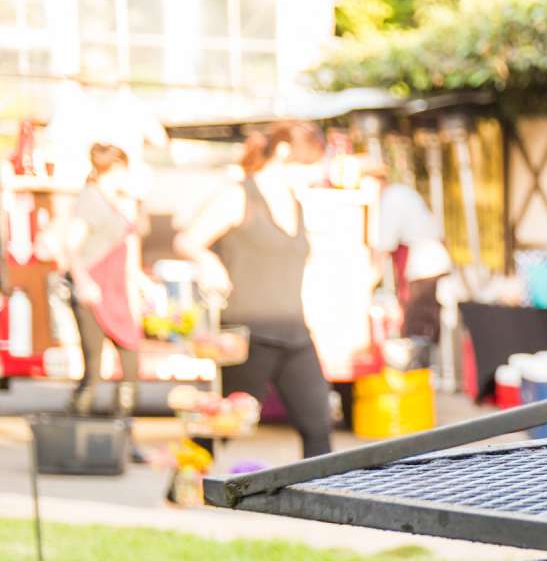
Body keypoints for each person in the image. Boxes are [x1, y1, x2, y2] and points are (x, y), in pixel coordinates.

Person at [175, 121, 335, 457]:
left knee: (318, 422)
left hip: (294, 331)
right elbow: (188, 240)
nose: (314, 177)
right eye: (308, 168)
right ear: (282, 153)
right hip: (249, 334)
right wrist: (210, 263)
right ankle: (179, 492)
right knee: (224, 424)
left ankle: (325, 502)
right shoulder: (239, 196)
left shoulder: (297, 204)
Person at [60, 142, 144, 417]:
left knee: (130, 356)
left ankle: (123, 429)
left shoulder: (112, 199)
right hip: (94, 287)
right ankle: (76, 434)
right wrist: (83, 281)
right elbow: (71, 245)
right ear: (116, 168)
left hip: (114, 288)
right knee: (94, 366)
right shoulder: (90, 199)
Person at [366, 156, 451, 347]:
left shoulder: (391, 199)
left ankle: (418, 370)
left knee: (418, 329)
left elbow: (382, 246)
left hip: (425, 266)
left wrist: (367, 283)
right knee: (424, 324)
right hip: (428, 265)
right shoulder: (400, 193)